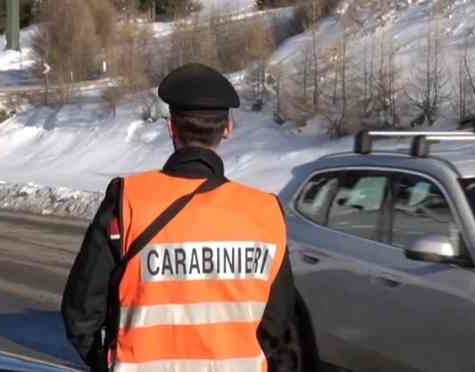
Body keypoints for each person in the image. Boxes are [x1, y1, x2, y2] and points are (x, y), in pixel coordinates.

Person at [61, 63, 298, 372]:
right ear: (228, 128)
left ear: (171, 127)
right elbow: (277, 325)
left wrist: (105, 362)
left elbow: (81, 312)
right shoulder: (266, 212)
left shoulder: (128, 200)